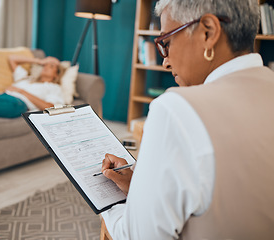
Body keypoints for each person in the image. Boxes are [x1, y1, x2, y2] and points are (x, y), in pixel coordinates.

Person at [100, 0, 274, 239]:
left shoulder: (176, 110)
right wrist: (142, 187)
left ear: (208, 32)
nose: (165, 61)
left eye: (166, 42)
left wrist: (109, 205)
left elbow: (140, 236)